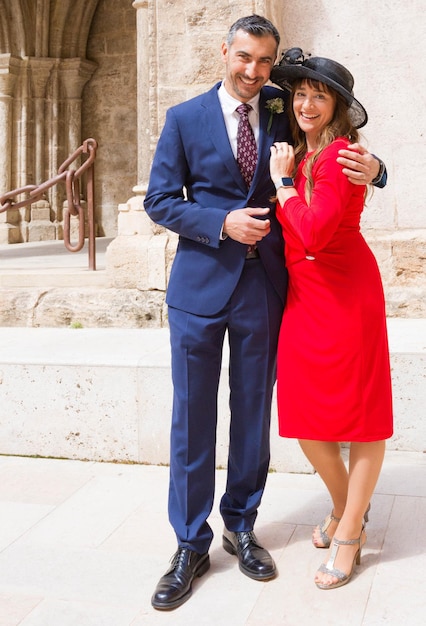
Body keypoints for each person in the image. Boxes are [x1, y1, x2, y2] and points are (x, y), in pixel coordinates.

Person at [144, 16, 386, 610]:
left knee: (253, 415)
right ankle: (189, 542)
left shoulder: (282, 105)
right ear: (224, 51)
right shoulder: (184, 119)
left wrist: (379, 170)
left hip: (267, 288)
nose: (252, 72)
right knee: (192, 418)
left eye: (263, 62)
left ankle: (242, 526)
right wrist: (217, 222)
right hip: (198, 290)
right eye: (243, 58)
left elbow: (333, 139)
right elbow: (159, 200)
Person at [269, 49, 393, 589]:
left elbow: (316, 231)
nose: (306, 102)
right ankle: (351, 510)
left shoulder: (340, 154)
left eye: (319, 95)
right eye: (300, 92)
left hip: (347, 295)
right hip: (306, 296)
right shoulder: (300, 152)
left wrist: (284, 189)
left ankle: (347, 536)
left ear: (338, 106)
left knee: (362, 416)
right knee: (303, 414)